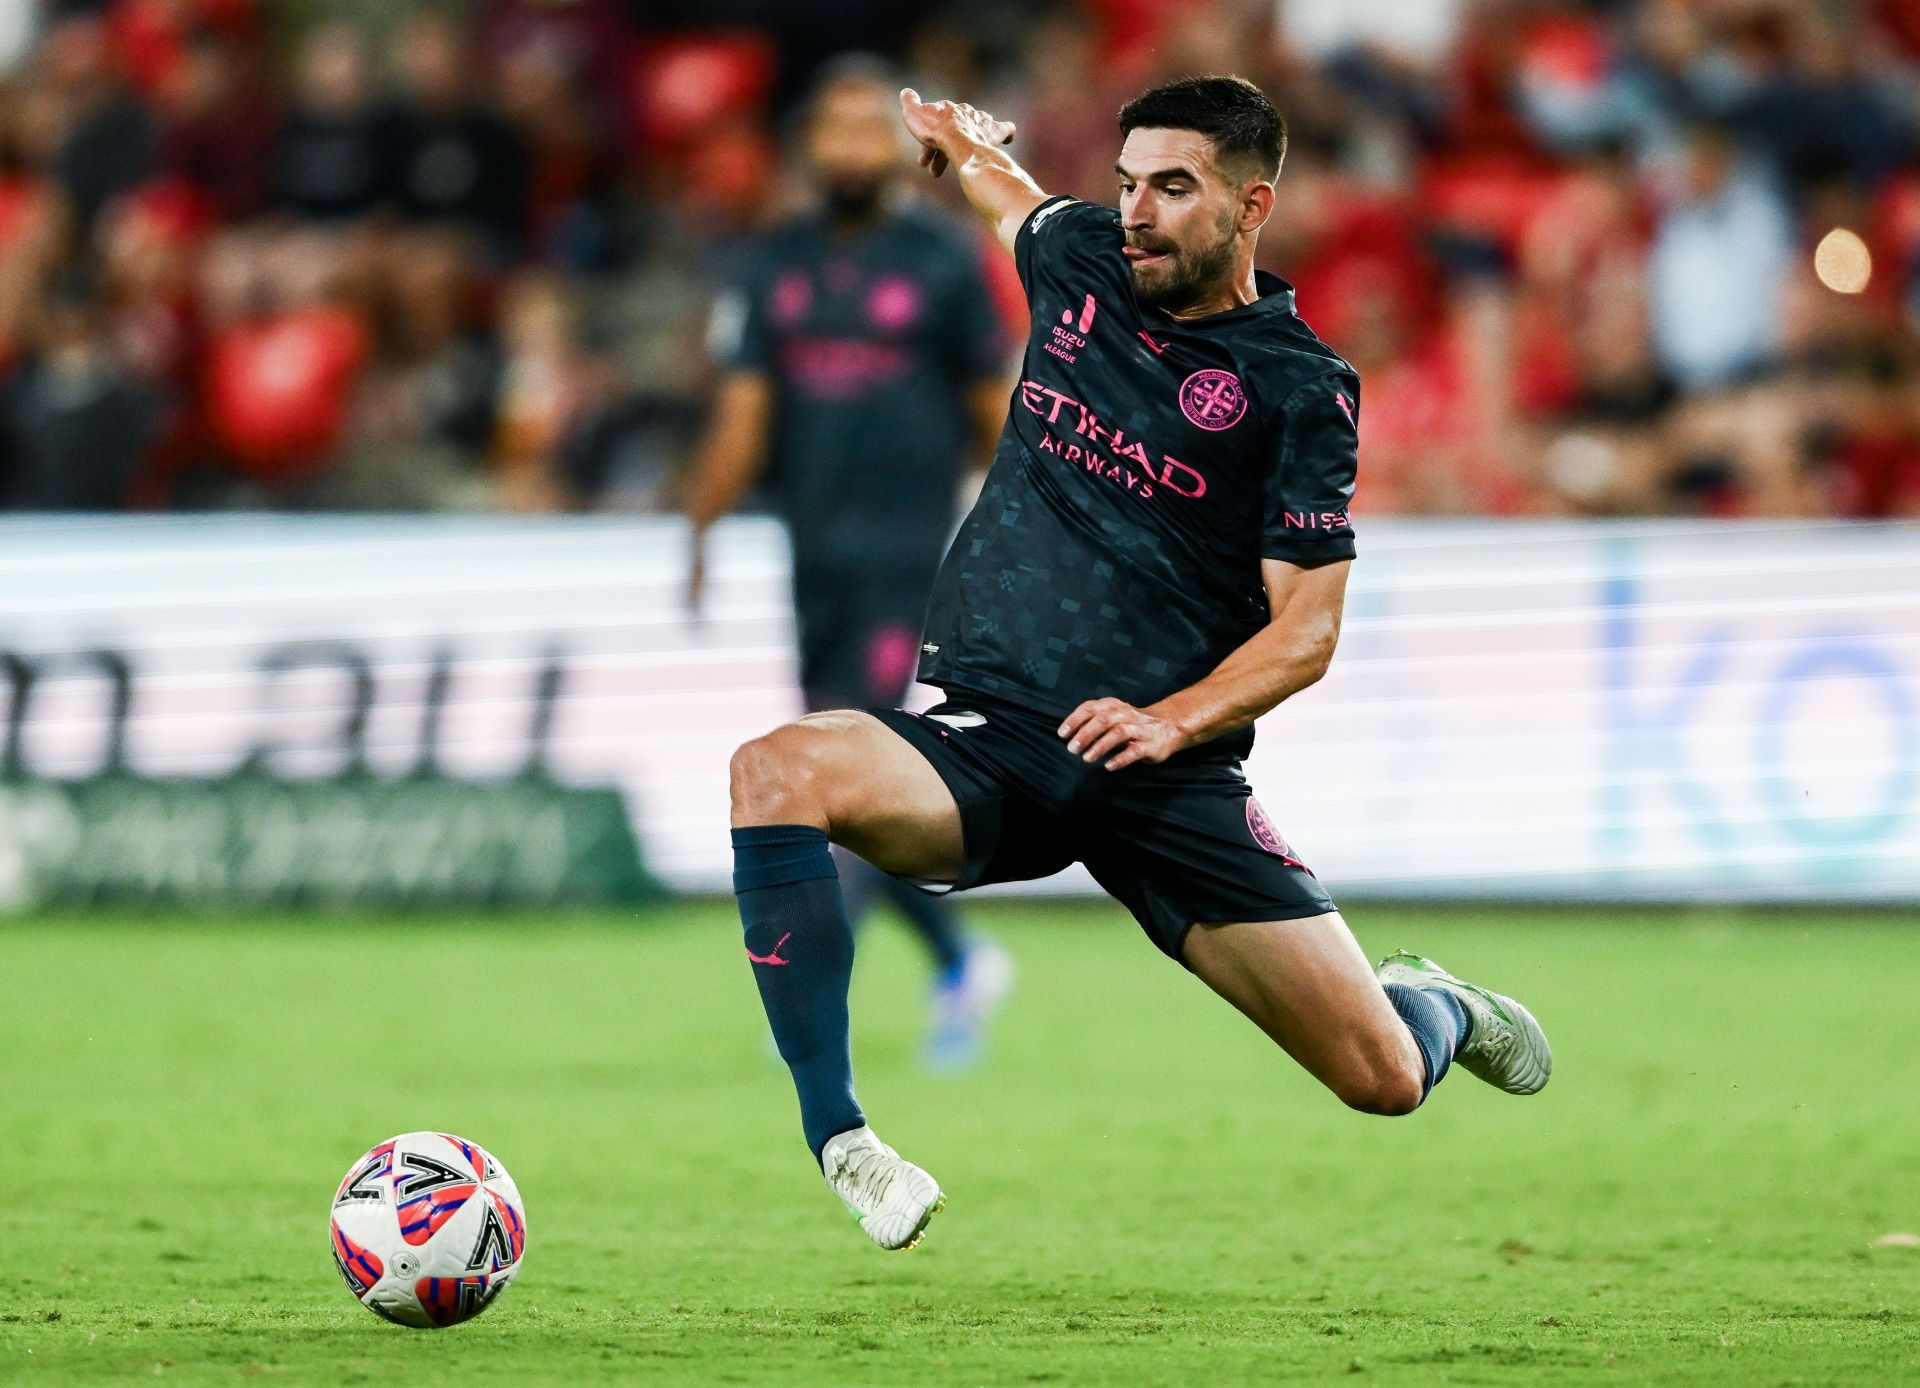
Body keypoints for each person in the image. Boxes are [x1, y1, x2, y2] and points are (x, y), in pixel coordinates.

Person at [726, 74, 1554, 1253]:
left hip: (1167, 779)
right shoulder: (1079, 264)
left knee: (1380, 1078)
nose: (1136, 212)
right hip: (999, 742)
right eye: (1126, 183)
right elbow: (1006, 193)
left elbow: (1306, 630)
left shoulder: (1299, 389)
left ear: (1251, 203)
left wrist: (1173, 720)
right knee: (775, 769)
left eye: (1172, 187)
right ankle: (845, 1141)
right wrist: (961, 141)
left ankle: (1437, 1005)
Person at [686, 58, 1015, 1070]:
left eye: (869, 130)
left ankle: (811, 988)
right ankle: (963, 959)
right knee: (850, 785)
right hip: (813, 550)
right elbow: (744, 411)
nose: (851, 149)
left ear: (899, 148)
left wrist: (1013, 532)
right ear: (808, 149)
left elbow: (993, 409)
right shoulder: (768, 262)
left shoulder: (946, 260)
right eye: (833, 131)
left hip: (908, 551)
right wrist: (697, 524)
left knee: (843, 768)